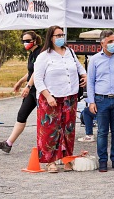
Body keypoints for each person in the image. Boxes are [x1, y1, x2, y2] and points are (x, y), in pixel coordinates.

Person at [33, 26, 87, 173]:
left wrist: (85, 76)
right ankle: (50, 161)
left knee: (68, 129)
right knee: (50, 129)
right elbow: (38, 79)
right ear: (51, 37)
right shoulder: (44, 56)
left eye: (62, 35)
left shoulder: (69, 52)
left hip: (70, 96)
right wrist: (48, 96)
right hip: (51, 97)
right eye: (57, 35)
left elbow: (79, 67)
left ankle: (67, 159)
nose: (60, 37)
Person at [87, 30, 114, 172]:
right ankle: (102, 161)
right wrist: (91, 101)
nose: (113, 44)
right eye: (110, 41)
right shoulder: (94, 59)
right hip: (101, 99)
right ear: (102, 43)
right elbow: (90, 81)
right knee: (102, 132)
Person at [0, 31, 42, 153]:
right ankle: (8, 144)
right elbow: (31, 72)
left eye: (28, 41)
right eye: (23, 41)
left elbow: (37, 72)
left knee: (44, 119)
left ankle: (47, 146)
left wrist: (28, 86)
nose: (25, 43)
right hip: (32, 90)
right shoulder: (31, 54)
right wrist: (20, 82)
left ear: (35, 41)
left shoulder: (41, 53)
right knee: (22, 115)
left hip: (41, 90)